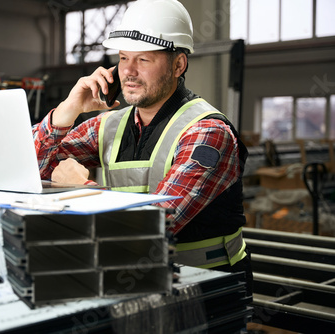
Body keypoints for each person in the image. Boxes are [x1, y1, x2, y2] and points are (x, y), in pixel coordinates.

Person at [32, 0, 252, 296]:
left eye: (143, 60)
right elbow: (25, 166)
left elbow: (155, 227)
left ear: (178, 65)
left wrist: (81, 190)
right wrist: (67, 110)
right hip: (135, 281)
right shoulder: (107, 125)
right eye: (123, 58)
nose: (129, 72)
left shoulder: (207, 132)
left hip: (207, 290)